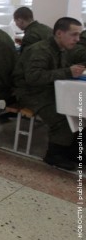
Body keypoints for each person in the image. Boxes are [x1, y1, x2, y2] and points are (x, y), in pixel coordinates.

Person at [13, 17, 84, 170]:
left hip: (48, 88)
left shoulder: (61, 49)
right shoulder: (41, 50)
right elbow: (33, 78)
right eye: (74, 34)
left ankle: (72, 150)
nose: (77, 39)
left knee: (78, 108)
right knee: (62, 116)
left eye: (79, 35)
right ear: (59, 33)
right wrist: (67, 71)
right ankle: (54, 154)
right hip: (29, 92)